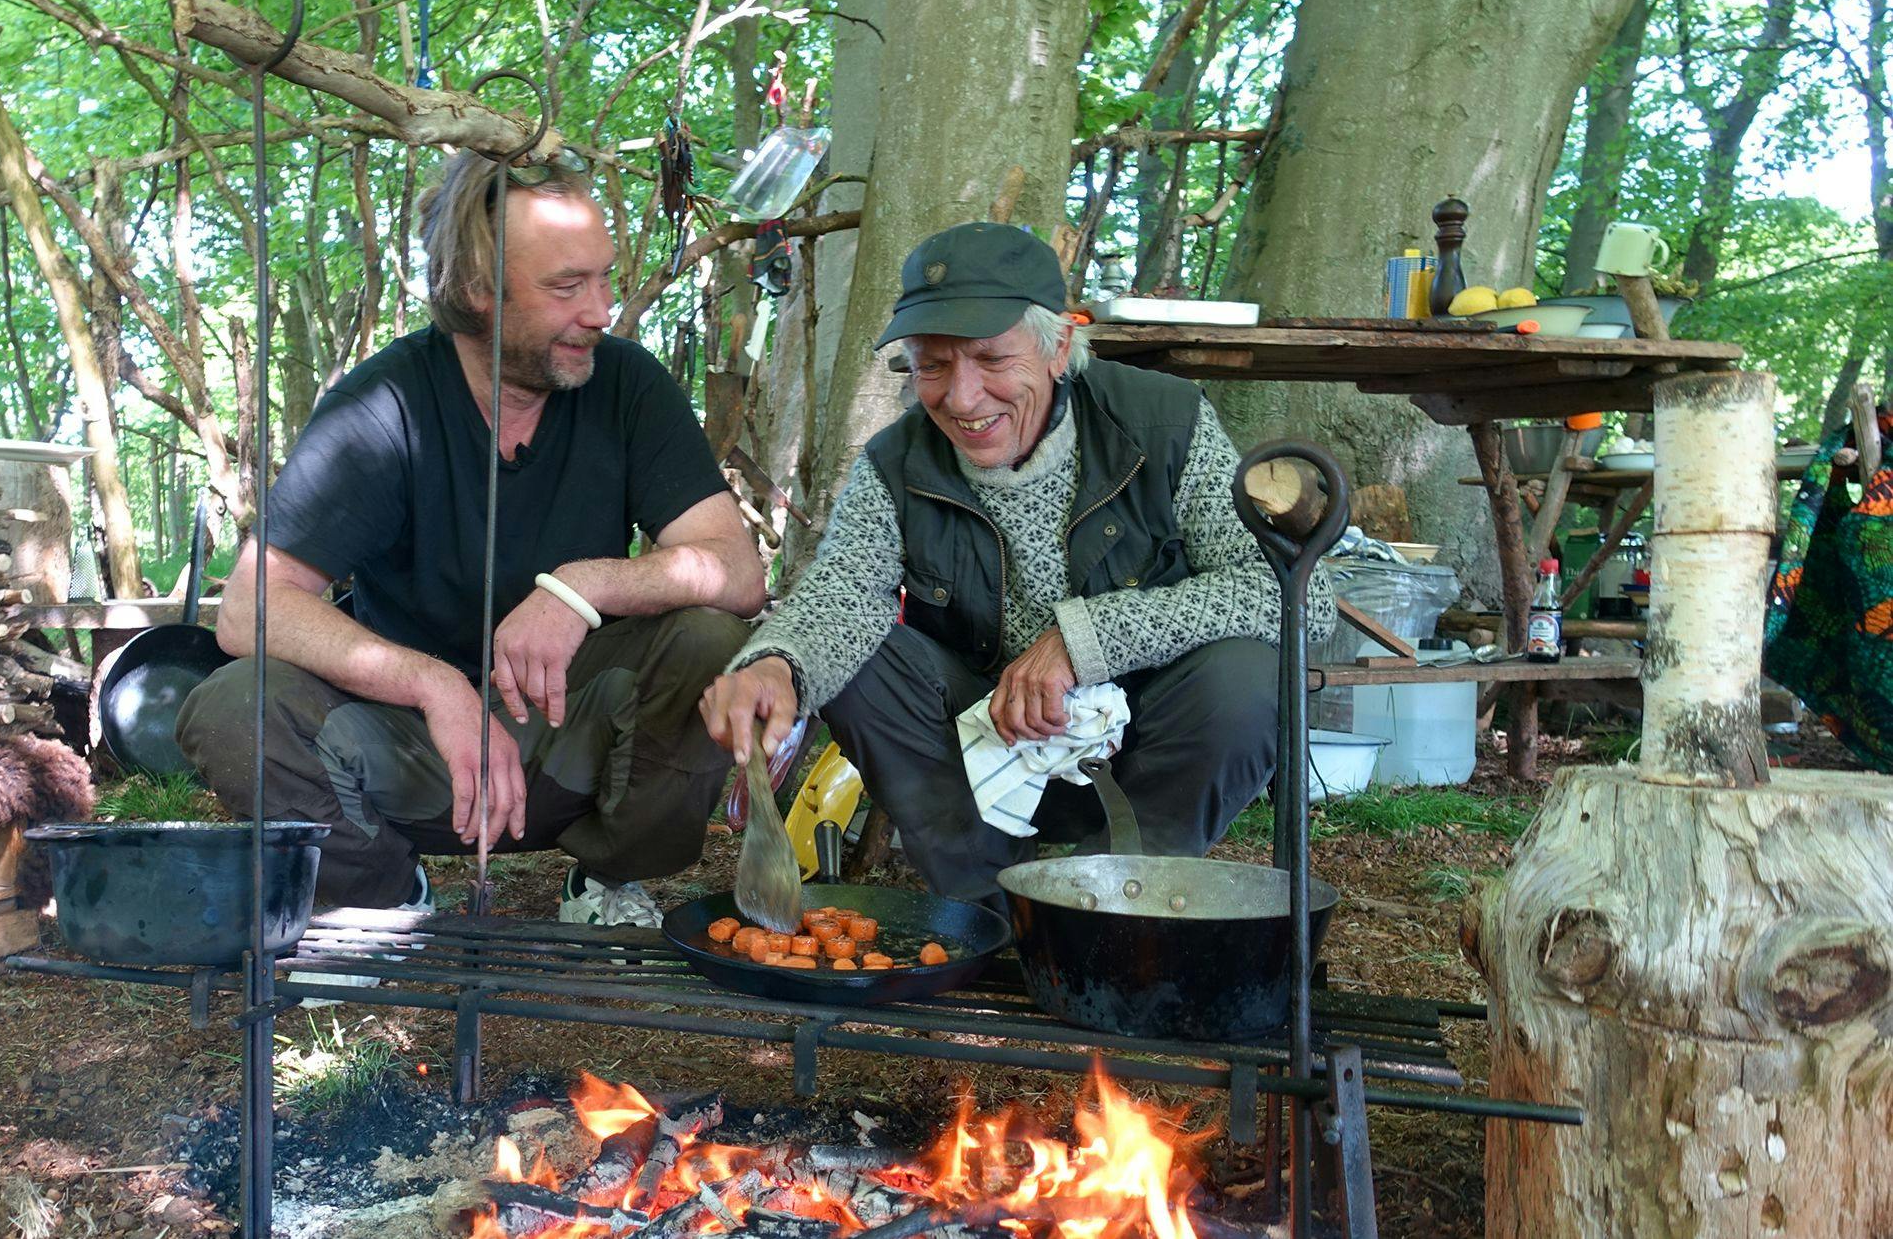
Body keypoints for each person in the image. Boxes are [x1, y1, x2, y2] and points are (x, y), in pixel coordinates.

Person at [178, 149, 764, 928]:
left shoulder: (627, 383)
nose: (601, 311)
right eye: (567, 286)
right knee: (233, 707)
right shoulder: (382, 406)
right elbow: (249, 608)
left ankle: (608, 878)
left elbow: (736, 570)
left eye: (605, 279)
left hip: (570, 728)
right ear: (476, 289)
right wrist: (434, 685)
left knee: (710, 637)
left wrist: (579, 586)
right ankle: (379, 890)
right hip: (413, 748)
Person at [699, 222, 1330, 908]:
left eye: (991, 358)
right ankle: (986, 910)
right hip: (977, 755)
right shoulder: (895, 463)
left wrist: (1085, 640)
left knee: (1251, 673)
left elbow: (1300, 597)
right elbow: (842, 592)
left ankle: (1123, 904)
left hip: (1145, 746)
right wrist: (777, 665)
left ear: (1058, 347)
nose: (962, 398)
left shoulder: (1164, 423)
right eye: (933, 366)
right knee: (855, 662)